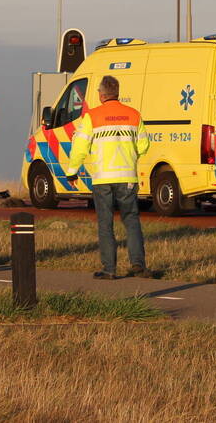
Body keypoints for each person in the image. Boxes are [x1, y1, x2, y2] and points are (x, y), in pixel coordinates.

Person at [65, 75, 150, 279]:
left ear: (101, 95)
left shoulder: (92, 117)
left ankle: (109, 269)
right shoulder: (134, 115)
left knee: (106, 223)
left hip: (103, 178)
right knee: (131, 221)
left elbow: (79, 148)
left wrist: (72, 172)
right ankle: (138, 264)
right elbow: (144, 146)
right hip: (127, 177)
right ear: (117, 93)